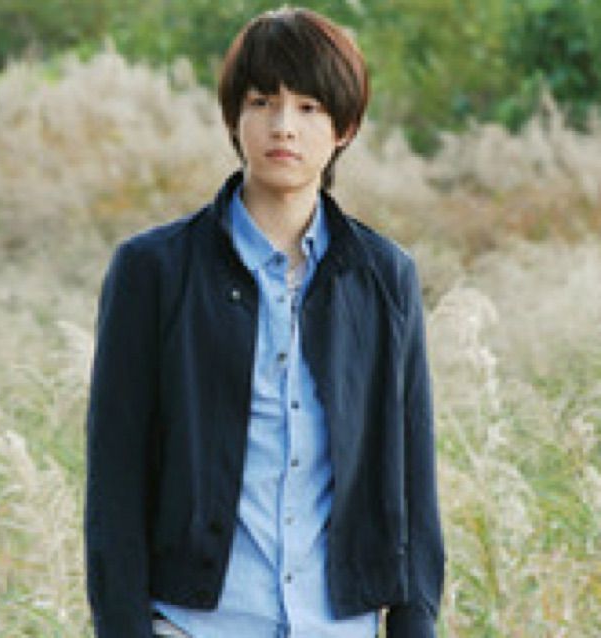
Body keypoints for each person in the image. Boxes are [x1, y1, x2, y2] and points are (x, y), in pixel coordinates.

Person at [84, 6, 445, 638]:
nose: (283, 127)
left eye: (309, 107)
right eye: (262, 102)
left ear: (345, 127)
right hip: (195, 625)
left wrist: (414, 626)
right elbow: (114, 480)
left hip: (339, 625)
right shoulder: (154, 270)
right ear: (233, 117)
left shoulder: (384, 276)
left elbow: (412, 479)